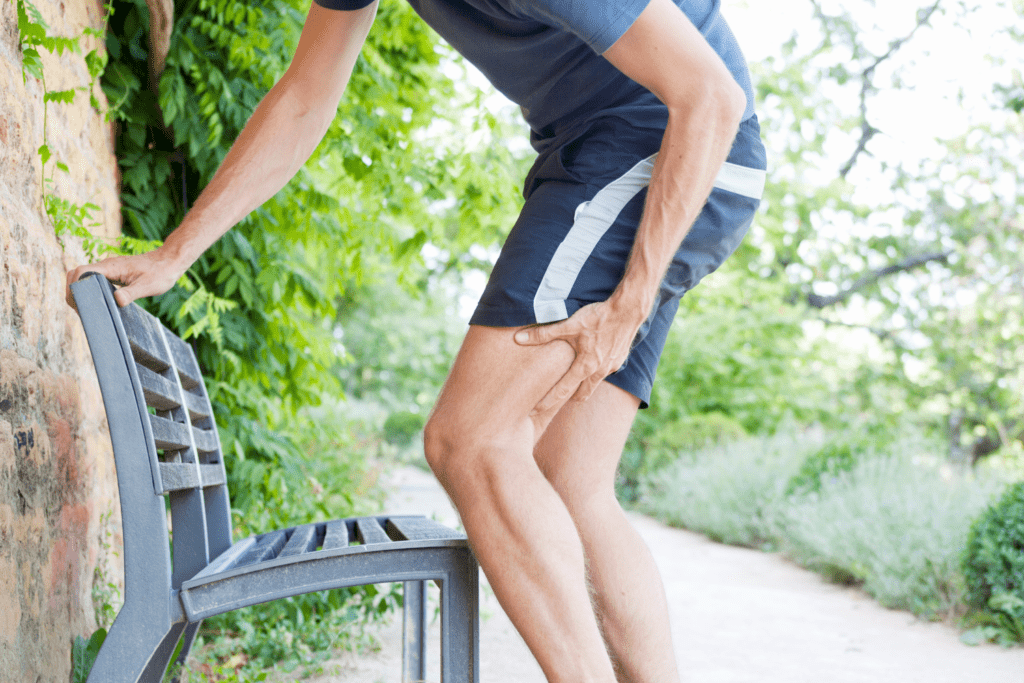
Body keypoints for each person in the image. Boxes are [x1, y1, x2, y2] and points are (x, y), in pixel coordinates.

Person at [66, 0, 766, 680]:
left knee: (472, 440)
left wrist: (630, 304)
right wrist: (176, 254)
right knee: (570, 478)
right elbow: (305, 97)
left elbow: (711, 97)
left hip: (662, 149)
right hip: (635, 158)